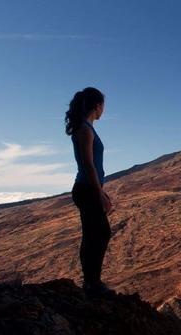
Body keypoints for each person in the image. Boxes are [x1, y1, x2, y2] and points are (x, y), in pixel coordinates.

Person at [65, 87, 114, 295]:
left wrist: (101, 192)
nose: (104, 109)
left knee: (94, 233)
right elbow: (87, 163)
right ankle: (92, 282)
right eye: (103, 105)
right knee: (101, 232)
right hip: (87, 188)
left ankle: (91, 282)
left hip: (88, 188)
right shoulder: (85, 129)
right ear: (97, 105)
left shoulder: (86, 127)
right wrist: (99, 193)